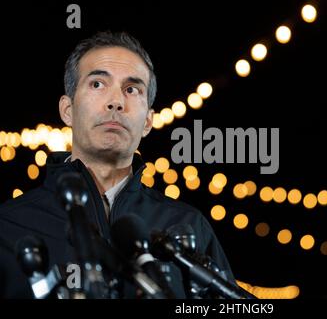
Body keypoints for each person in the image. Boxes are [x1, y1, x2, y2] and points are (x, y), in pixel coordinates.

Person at [0, 31, 238, 299]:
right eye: (98, 84)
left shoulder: (188, 226)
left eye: (131, 89)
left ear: (148, 121)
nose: (115, 102)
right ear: (67, 110)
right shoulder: (8, 225)